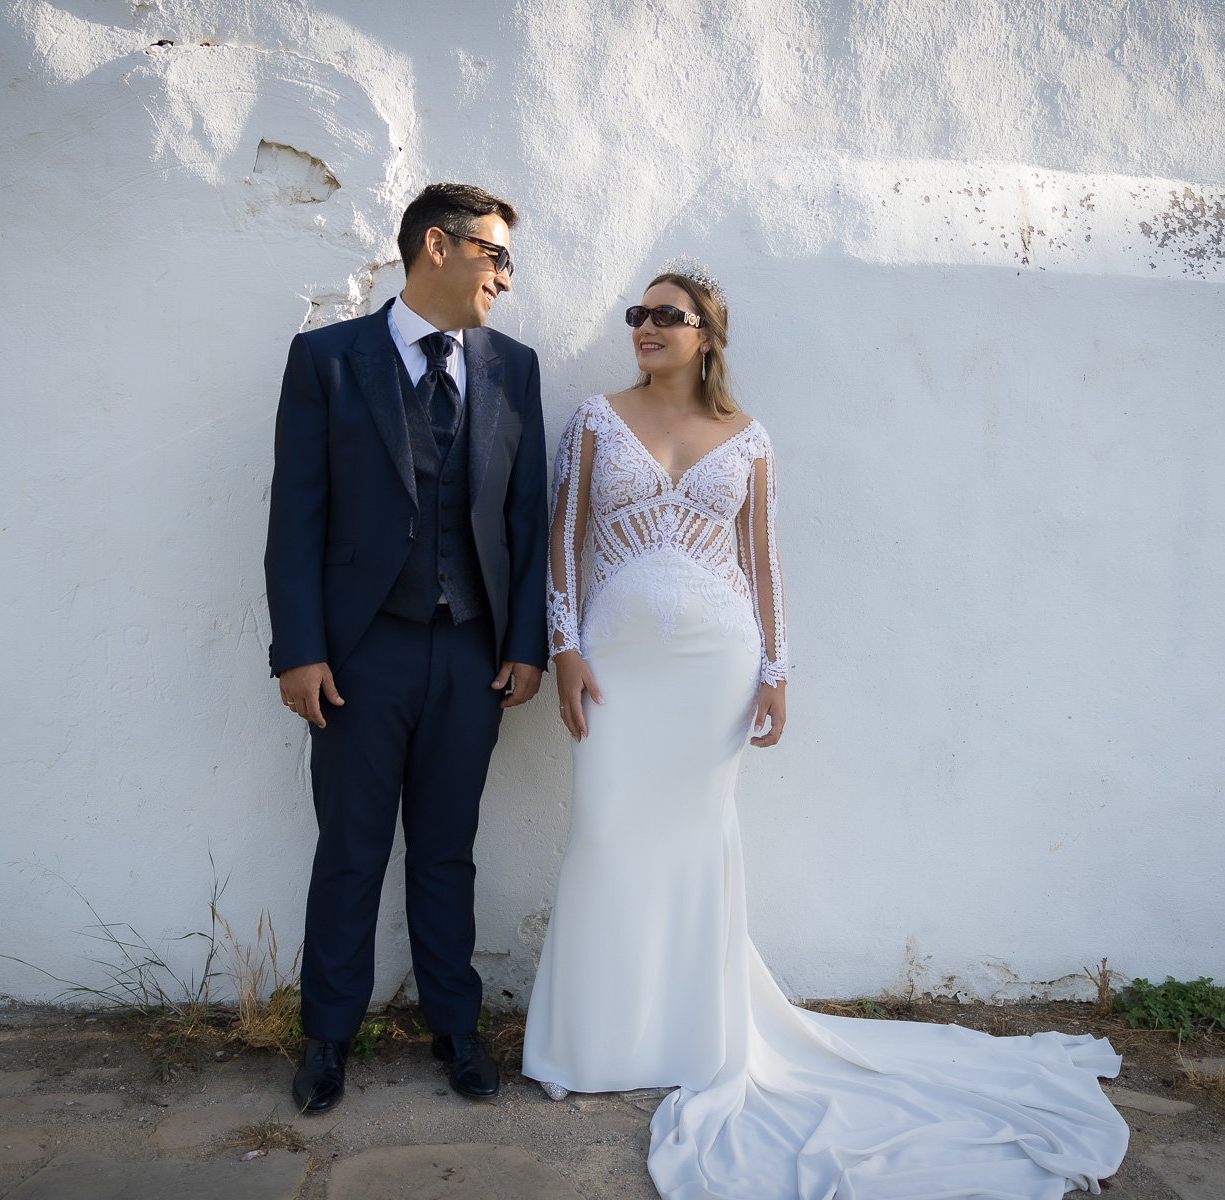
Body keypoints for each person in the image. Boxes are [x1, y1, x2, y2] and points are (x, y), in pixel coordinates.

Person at [521, 258, 1130, 1198]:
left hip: (715, 667)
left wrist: (775, 673)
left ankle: (691, 1040)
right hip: (618, 663)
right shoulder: (597, 419)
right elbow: (561, 541)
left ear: (707, 334)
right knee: (604, 838)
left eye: (666, 316)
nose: (645, 327)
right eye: (637, 314)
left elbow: (763, 562)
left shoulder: (748, 437)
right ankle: (592, 1044)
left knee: (695, 848)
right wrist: (564, 647)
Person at [263, 183, 549, 1114]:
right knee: (349, 847)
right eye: (495, 255)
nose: (506, 276)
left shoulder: (514, 368)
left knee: (446, 849)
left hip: (470, 654)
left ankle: (455, 1029)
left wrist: (526, 646)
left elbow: (524, 519)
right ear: (439, 245)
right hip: (359, 654)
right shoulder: (327, 361)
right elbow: (294, 517)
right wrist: (298, 651)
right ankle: (327, 1039)